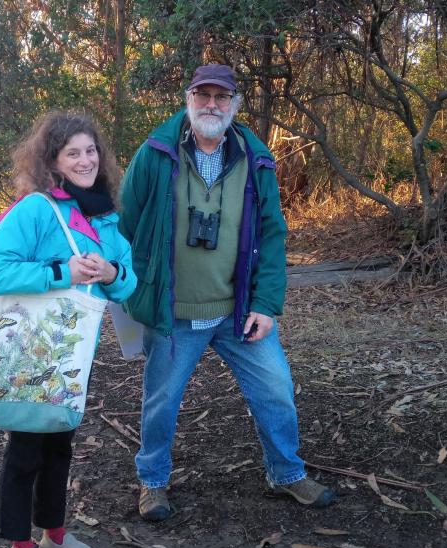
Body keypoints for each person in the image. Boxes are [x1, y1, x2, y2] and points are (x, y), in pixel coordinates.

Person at [118, 64, 335, 522]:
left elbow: (273, 234)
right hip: (173, 311)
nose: (211, 104)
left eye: (222, 97)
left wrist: (265, 303)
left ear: (235, 105)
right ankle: (153, 482)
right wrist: (137, 282)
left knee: (276, 389)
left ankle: (286, 473)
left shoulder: (256, 160)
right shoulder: (155, 153)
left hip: (238, 313)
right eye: (203, 95)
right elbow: (127, 224)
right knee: (161, 401)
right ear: (188, 99)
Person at [0, 112, 136, 548]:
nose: (86, 160)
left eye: (91, 151)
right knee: (26, 445)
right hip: (31, 352)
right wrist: (62, 271)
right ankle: (19, 547)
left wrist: (111, 275)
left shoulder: (105, 217)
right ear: (53, 160)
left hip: (72, 353)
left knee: (61, 442)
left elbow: (125, 283)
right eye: (73, 153)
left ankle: (54, 533)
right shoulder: (36, 210)